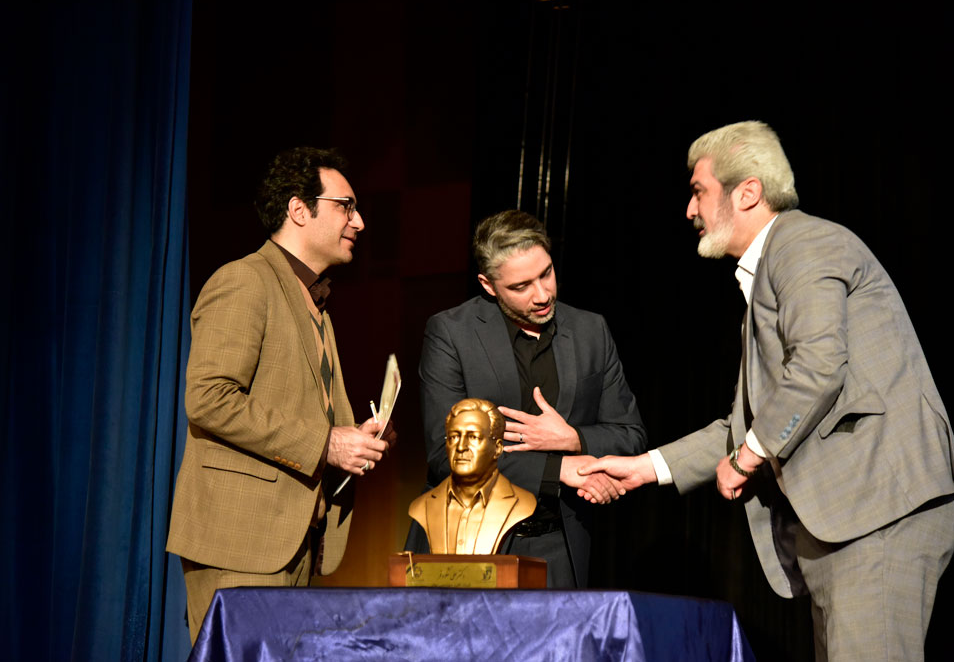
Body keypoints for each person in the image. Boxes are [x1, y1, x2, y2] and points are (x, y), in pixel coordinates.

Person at [579, 121, 954, 660]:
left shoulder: (803, 244)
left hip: (875, 510)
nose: (689, 210)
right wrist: (644, 468)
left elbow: (817, 368)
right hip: (846, 524)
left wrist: (746, 459)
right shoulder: (770, 272)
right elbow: (747, 423)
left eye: (698, 192)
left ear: (747, 192)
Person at [166, 147, 392, 644]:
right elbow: (209, 398)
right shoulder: (245, 280)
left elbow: (301, 410)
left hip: (297, 540)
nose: (358, 221)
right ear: (298, 209)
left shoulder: (314, 302)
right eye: (346, 206)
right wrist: (326, 443)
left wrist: (354, 438)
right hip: (241, 540)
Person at [411, 209, 645, 587]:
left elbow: (630, 434)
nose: (542, 294)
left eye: (546, 273)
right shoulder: (451, 333)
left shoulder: (591, 330)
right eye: (521, 286)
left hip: (561, 546)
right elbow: (446, 453)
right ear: (488, 285)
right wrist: (559, 470)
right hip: (469, 543)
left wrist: (573, 439)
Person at [409, 398, 536, 555]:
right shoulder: (423, 505)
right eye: (454, 437)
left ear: (497, 448)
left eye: (473, 437)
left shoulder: (521, 503)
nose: (461, 447)